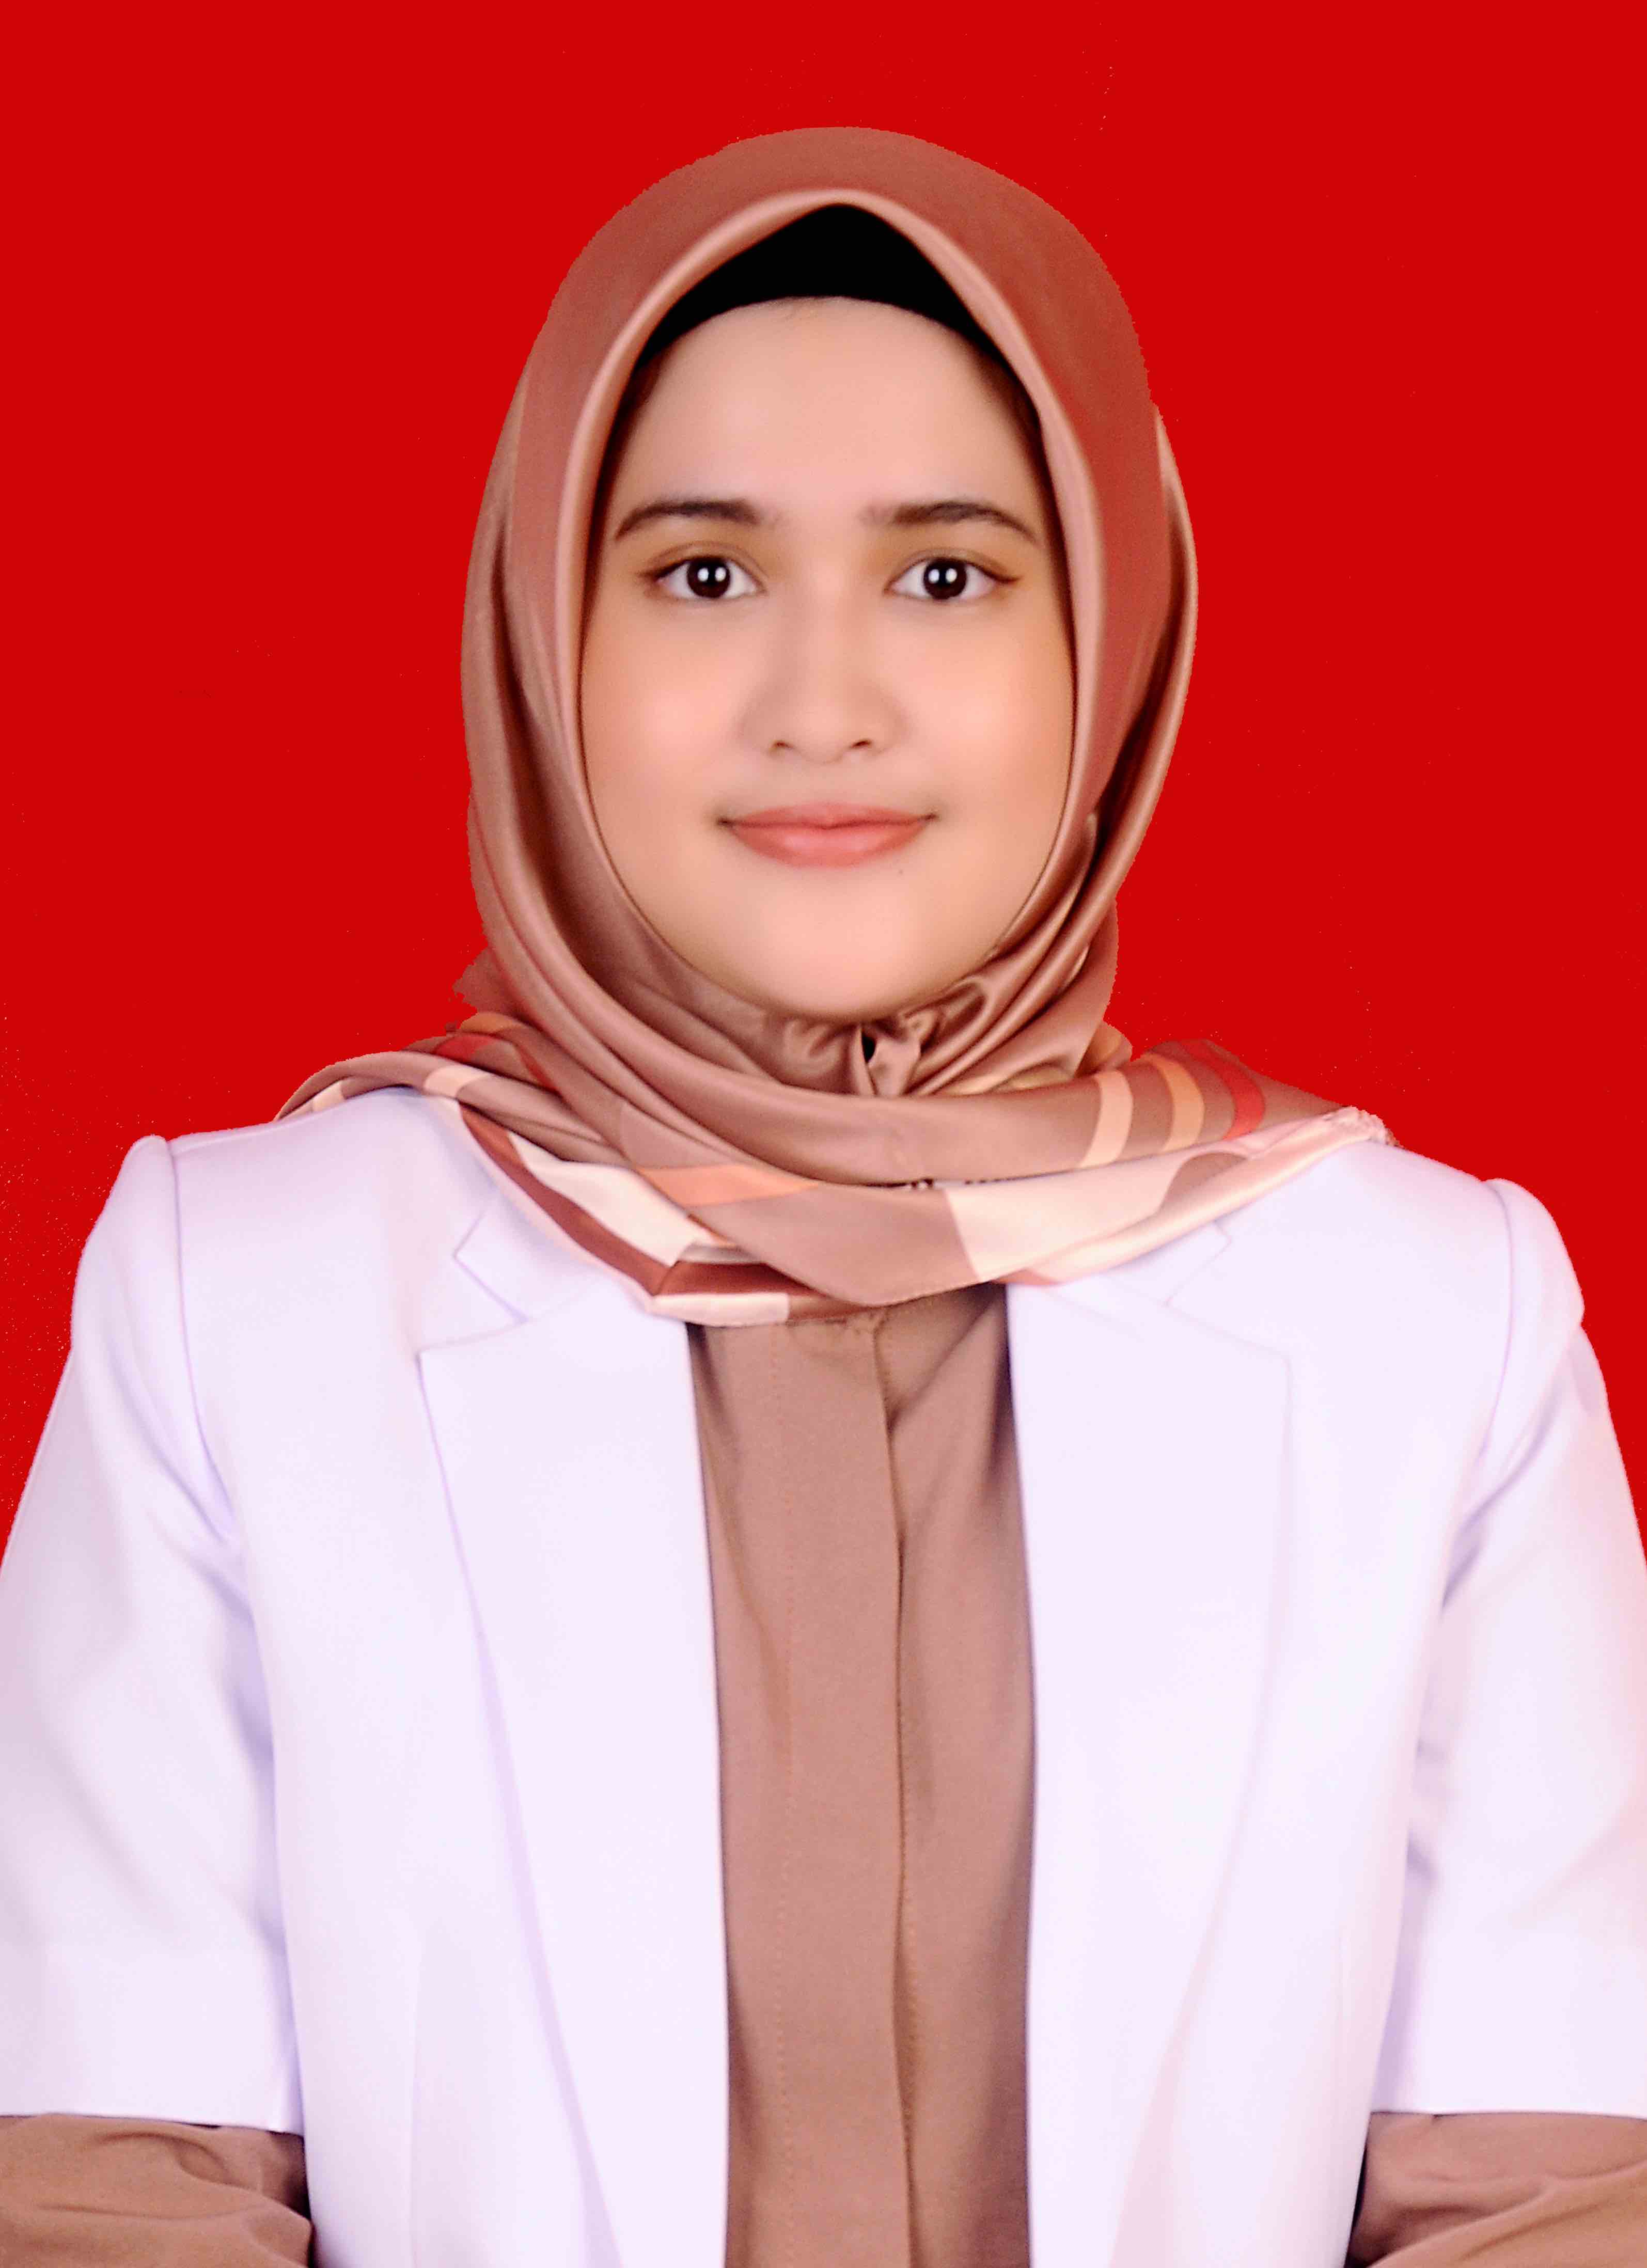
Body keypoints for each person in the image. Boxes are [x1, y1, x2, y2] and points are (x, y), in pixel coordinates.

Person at [2, 128, 1646, 2266]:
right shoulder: (238, 1297)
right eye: (704, 574)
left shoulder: (1436, 1324)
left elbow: (1552, 2191)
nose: (823, 707)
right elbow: (109, 2181)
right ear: (546, 633)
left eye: (947, 576)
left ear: (1112, 639)